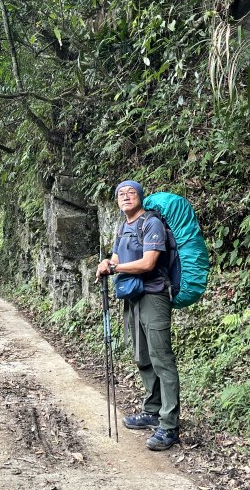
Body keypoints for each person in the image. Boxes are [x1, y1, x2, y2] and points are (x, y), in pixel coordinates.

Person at [96, 180, 180, 451]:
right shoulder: (122, 226)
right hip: (131, 297)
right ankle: (152, 411)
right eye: (121, 194)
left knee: (161, 359)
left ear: (141, 198)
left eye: (131, 193)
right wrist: (106, 264)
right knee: (142, 357)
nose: (126, 197)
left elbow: (148, 263)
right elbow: (117, 258)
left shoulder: (151, 223)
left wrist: (114, 268)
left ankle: (169, 426)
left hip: (154, 297)